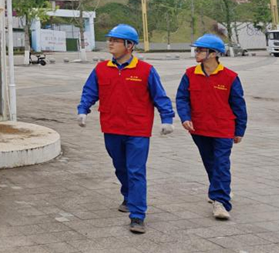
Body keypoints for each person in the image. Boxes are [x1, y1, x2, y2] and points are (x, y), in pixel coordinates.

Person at [77, 24, 175, 234]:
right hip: (111, 127)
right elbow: (90, 91)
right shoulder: (101, 69)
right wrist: (83, 109)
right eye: (110, 39)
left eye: (116, 40)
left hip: (138, 130)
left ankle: (137, 215)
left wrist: (167, 118)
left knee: (136, 171)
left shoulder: (146, 70)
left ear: (129, 45)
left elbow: (160, 96)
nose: (110, 43)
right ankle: (129, 196)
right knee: (120, 167)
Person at [176, 34, 247, 221]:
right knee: (210, 162)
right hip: (199, 128)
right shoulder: (190, 74)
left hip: (223, 128)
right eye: (196, 49)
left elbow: (239, 105)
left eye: (200, 50)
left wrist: (239, 130)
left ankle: (220, 201)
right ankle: (219, 189)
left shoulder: (230, 77)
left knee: (221, 163)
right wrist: (185, 117)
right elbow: (182, 98)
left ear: (214, 53)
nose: (196, 53)